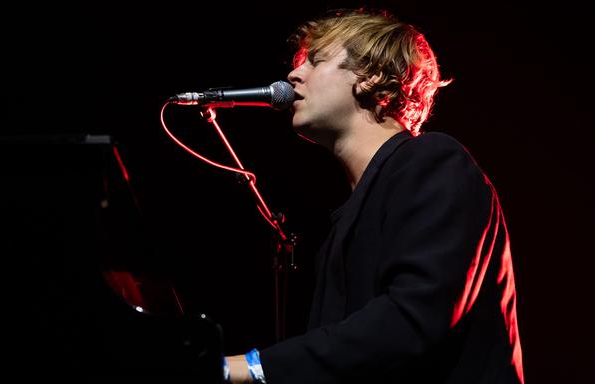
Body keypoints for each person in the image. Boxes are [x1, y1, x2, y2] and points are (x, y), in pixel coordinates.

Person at [223, 9, 524, 384]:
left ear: (373, 77)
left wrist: (245, 369)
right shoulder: (350, 216)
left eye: (315, 61)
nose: (293, 74)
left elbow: (410, 320)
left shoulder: (433, 161)